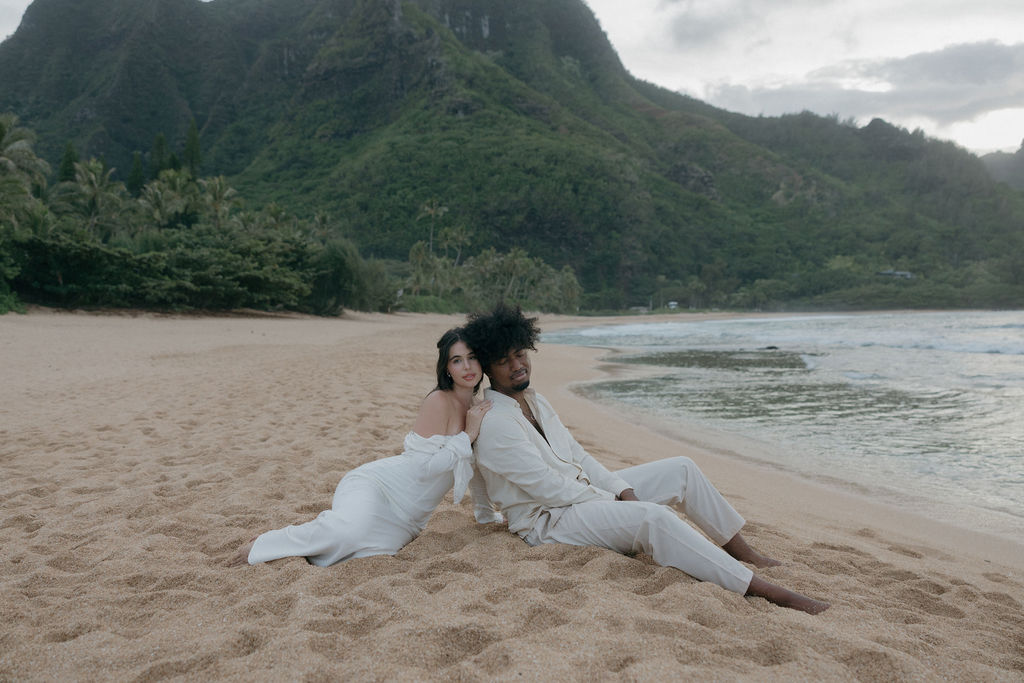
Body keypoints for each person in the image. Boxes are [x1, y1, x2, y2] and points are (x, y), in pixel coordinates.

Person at [463, 304, 830, 615]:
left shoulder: (535, 400)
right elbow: (546, 489)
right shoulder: (497, 422)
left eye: (520, 354)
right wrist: (615, 500)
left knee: (681, 469)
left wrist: (622, 489)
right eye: (504, 361)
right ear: (488, 369)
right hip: (547, 522)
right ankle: (764, 589)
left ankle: (744, 553)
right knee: (653, 517)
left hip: (579, 497)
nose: (517, 365)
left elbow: (579, 456)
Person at [227, 328, 502, 568]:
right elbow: (423, 469)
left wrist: (486, 515)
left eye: (472, 357)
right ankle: (266, 543)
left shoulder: (477, 409)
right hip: (379, 487)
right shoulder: (439, 401)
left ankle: (306, 541)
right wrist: (467, 435)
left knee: (366, 556)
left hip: (408, 520)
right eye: (457, 360)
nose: (467, 367)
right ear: (447, 368)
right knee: (346, 533)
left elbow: (475, 467)